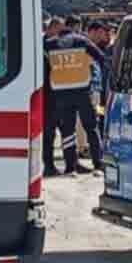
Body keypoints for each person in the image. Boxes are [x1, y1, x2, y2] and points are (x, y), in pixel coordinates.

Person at [44, 19, 106, 175]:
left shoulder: (49, 44)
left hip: (61, 94)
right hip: (82, 91)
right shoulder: (81, 41)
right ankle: (98, 164)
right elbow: (101, 57)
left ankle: (70, 167)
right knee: (91, 128)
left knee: (67, 132)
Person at [41, 17, 65, 177]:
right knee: (49, 133)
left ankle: (71, 163)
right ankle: (48, 165)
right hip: (47, 96)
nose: (62, 34)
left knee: (67, 131)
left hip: (60, 95)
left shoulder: (59, 45)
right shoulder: (41, 46)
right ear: (53, 28)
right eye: (60, 30)